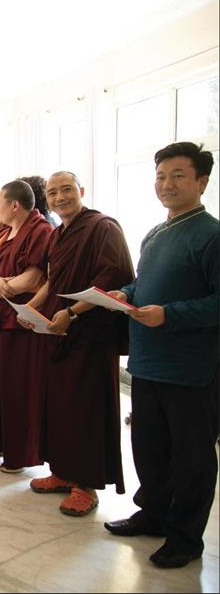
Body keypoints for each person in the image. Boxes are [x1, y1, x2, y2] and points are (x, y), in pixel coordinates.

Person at [104, 142, 218, 569]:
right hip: (147, 361)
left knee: (191, 457)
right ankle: (152, 514)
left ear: (201, 182)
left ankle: (186, 537)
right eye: (161, 176)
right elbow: (143, 285)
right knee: (148, 447)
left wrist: (169, 315)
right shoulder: (155, 232)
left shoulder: (211, 234)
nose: (167, 185)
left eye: (178, 176)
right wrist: (125, 294)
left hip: (191, 369)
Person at [20, 171, 134, 516]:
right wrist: (32, 307)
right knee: (60, 405)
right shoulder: (58, 233)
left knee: (86, 409)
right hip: (59, 329)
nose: (59, 197)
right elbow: (54, 280)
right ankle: (62, 472)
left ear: (81, 191)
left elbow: (113, 278)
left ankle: (86, 485)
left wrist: (73, 311)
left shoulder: (103, 228)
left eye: (66, 189)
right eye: (52, 193)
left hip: (90, 334)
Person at [0, 180, 53, 472]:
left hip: (21, 319)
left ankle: (19, 453)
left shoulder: (40, 231)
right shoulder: (5, 233)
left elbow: (32, 279)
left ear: (15, 205)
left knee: (19, 388)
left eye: (0, 203)